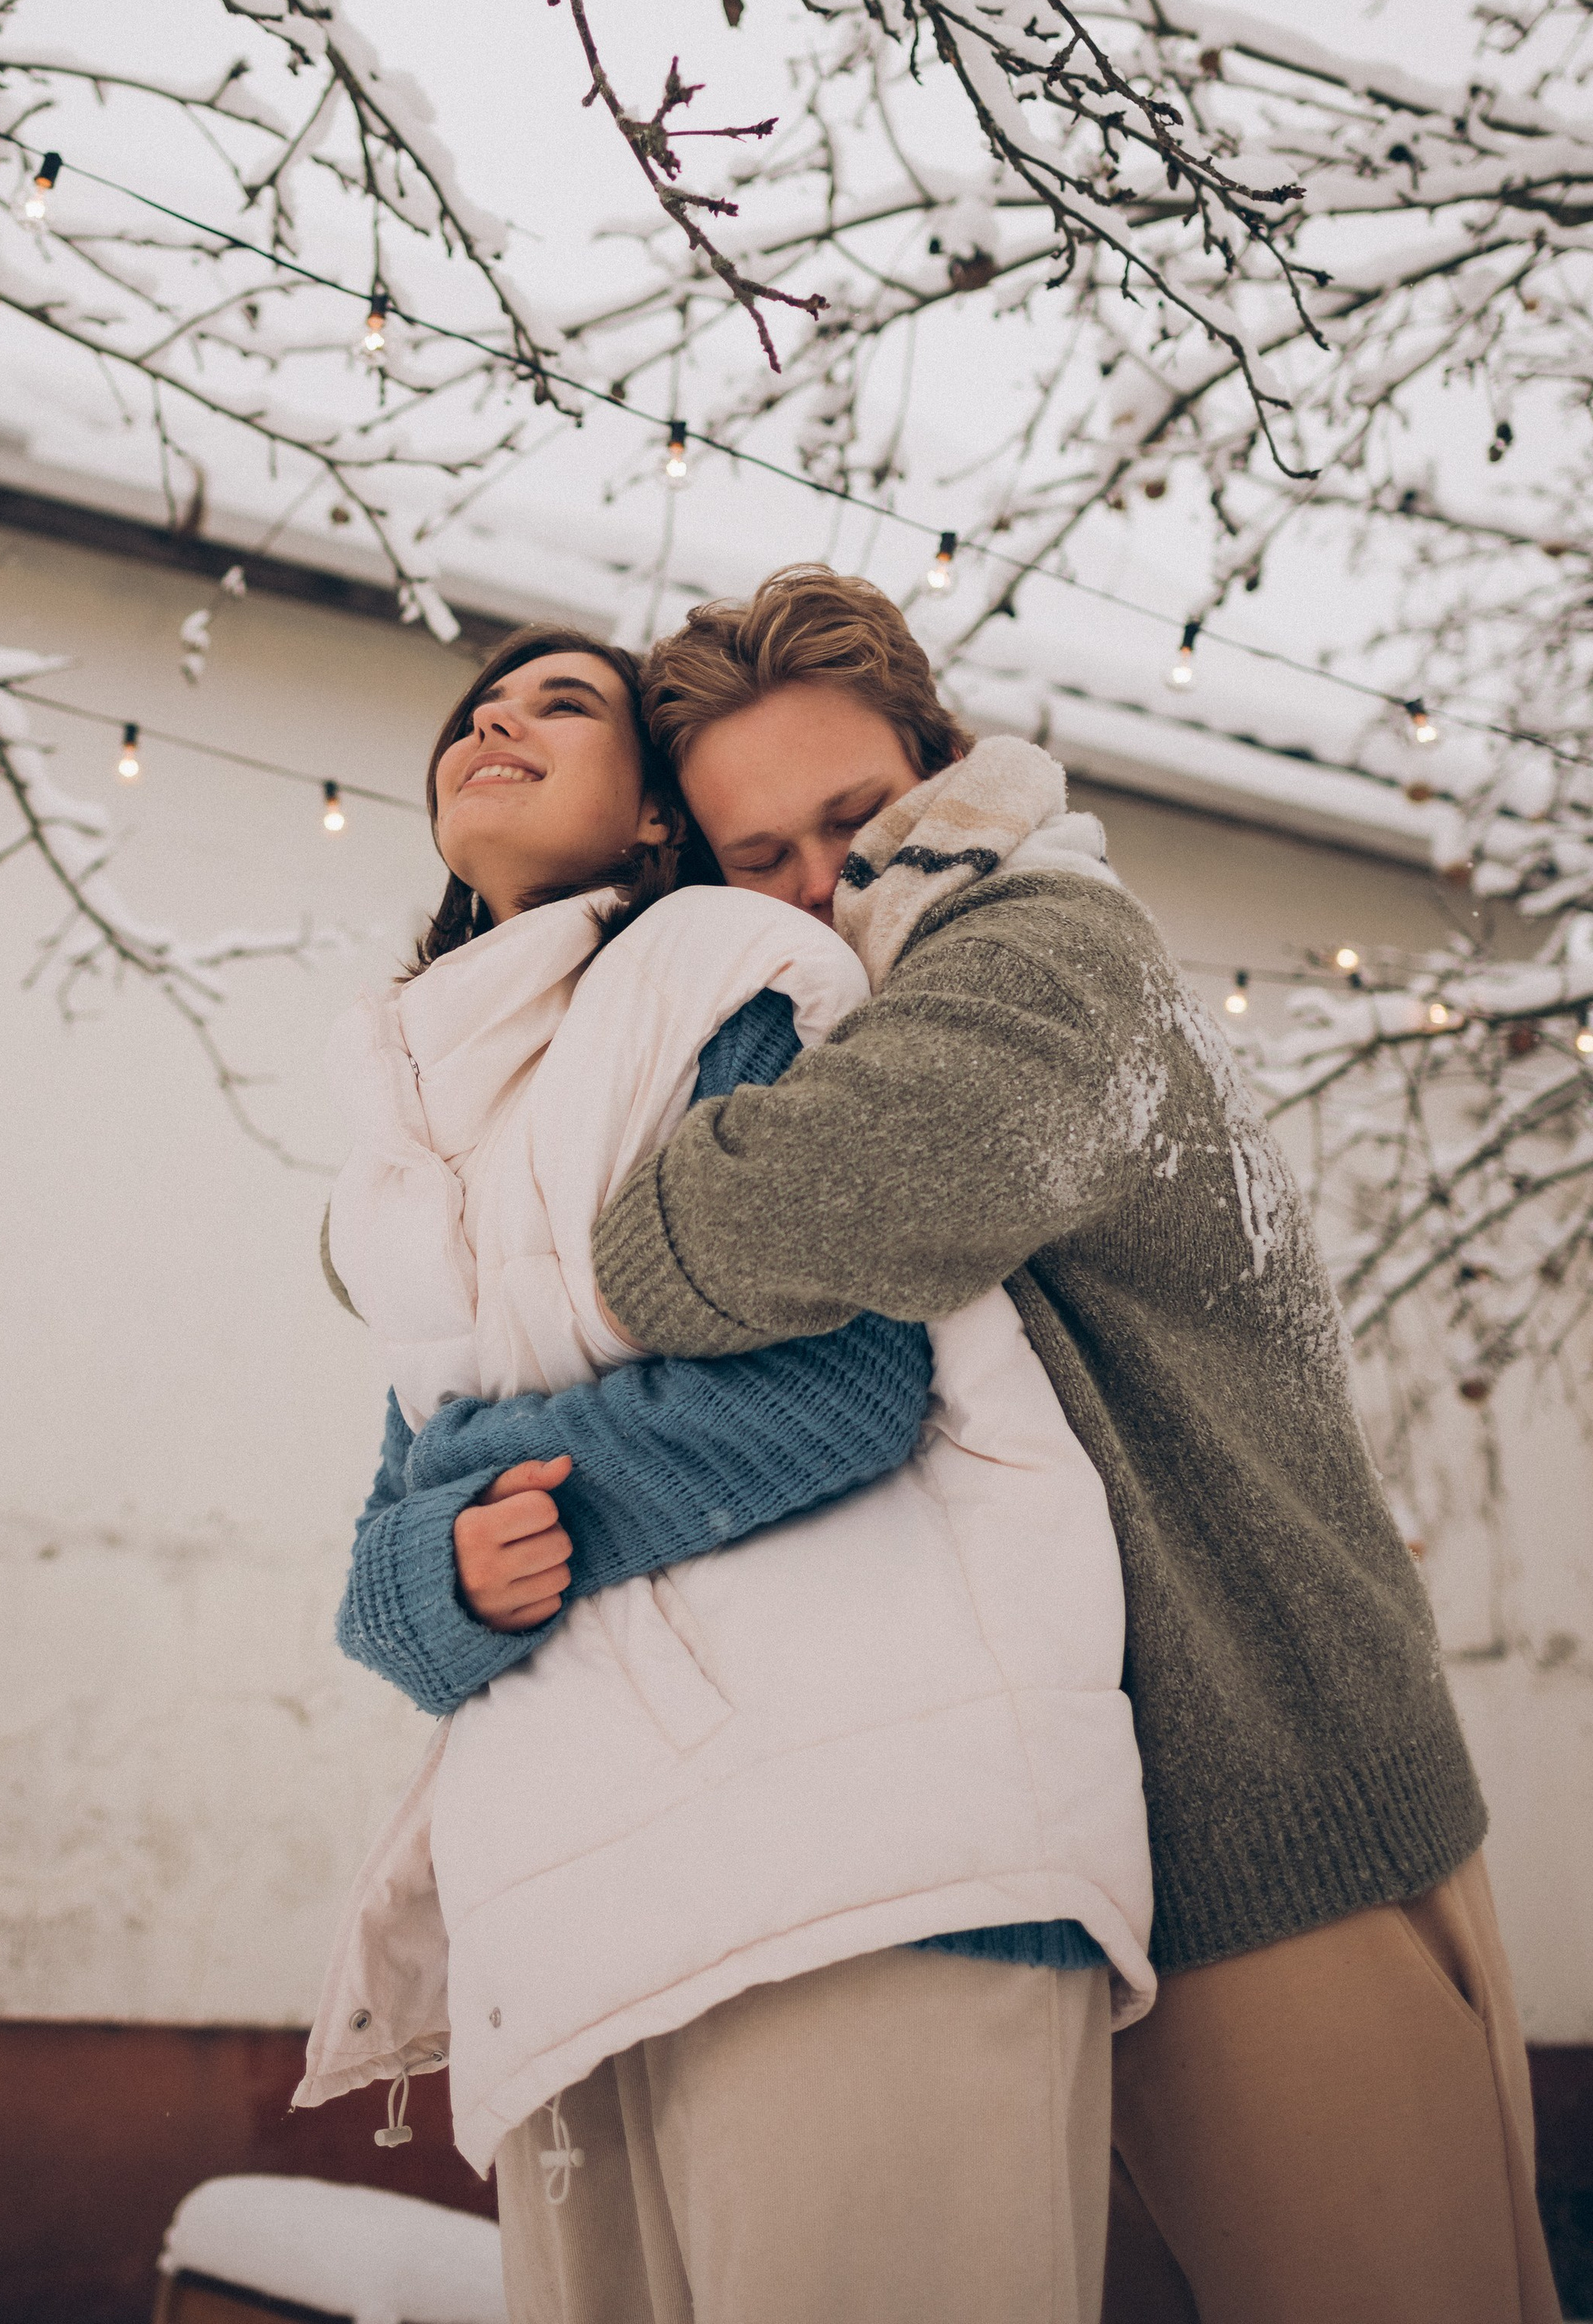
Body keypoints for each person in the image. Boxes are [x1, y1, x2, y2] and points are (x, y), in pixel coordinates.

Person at [585, 563, 1561, 2324]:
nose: (825, 886)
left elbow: (702, 1245)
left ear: (941, 769)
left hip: (1271, 1825)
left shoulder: (1042, 952)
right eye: (762, 861)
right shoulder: (894, 1002)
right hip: (1095, 1851)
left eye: (854, 818)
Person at [300, 625, 1155, 2324]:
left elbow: (831, 1391)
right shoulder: (414, 1134)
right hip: (570, 1922)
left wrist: (482, 1501)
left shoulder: (720, 970)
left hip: (860, 1868)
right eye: (478, 704)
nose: (497, 717)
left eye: (564, 702)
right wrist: (433, 1573)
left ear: (646, 825)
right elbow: (389, 1582)